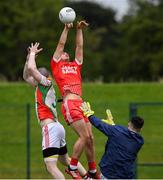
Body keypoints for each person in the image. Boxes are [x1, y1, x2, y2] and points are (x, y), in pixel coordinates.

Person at [23, 42, 87, 179]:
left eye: (35, 76)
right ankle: (88, 177)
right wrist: (28, 58)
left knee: (50, 166)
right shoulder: (43, 86)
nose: (32, 78)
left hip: (50, 127)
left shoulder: (45, 82)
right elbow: (26, 75)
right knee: (65, 160)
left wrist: (33, 54)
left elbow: (32, 69)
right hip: (57, 127)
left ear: (41, 77)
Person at [50, 21, 100, 179]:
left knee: (90, 138)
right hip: (70, 103)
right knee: (84, 136)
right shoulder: (57, 65)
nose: (64, 53)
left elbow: (79, 47)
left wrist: (79, 30)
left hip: (82, 104)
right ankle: (72, 168)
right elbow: (61, 43)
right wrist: (66, 28)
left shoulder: (75, 65)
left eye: (66, 53)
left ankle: (92, 171)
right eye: (62, 53)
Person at [81, 102, 144, 179]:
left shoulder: (116, 131)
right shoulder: (140, 142)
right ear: (141, 129)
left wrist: (89, 114)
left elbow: (100, 124)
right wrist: (113, 126)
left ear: (129, 123)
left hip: (109, 175)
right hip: (127, 176)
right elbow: (123, 137)